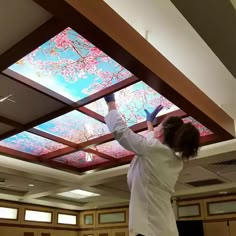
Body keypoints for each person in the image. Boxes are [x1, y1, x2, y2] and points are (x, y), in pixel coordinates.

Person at [104, 93, 200, 236]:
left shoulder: (153, 150)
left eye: (158, 126)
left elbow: (122, 133)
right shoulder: (173, 160)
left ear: (161, 132)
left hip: (149, 230)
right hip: (160, 227)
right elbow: (151, 139)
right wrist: (149, 123)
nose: (155, 128)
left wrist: (111, 104)